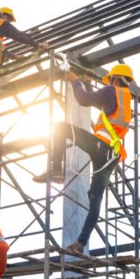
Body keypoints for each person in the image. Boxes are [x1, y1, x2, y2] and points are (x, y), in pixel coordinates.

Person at [33, 64, 134, 253]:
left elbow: (83, 100)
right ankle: (80, 243)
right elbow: (96, 100)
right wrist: (87, 83)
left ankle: (55, 169)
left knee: (60, 127)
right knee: (95, 198)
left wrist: (74, 80)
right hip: (112, 154)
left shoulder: (112, 90)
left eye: (111, 80)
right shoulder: (125, 98)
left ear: (116, 79)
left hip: (101, 144)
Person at [0, 7, 48, 128]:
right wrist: (36, 44)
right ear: (2, 16)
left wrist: (14, 57)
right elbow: (19, 35)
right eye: (9, 19)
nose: (9, 22)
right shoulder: (2, 23)